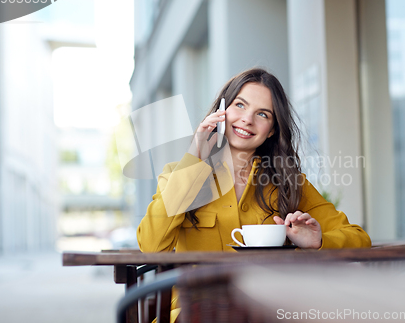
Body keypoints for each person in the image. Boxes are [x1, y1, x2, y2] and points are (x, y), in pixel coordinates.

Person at [137, 68, 371, 323]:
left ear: (271, 130)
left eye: (262, 114)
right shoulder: (178, 174)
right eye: (240, 105)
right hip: (194, 312)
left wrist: (318, 241)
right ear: (221, 111)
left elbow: (359, 239)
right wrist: (196, 154)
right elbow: (150, 244)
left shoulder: (290, 183)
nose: (247, 119)